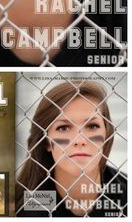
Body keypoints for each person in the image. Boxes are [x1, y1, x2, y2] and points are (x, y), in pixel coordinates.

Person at [16, 80, 127, 217]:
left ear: (107, 135)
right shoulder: (25, 204)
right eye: (63, 128)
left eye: (92, 126)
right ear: (46, 141)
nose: (79, 141)